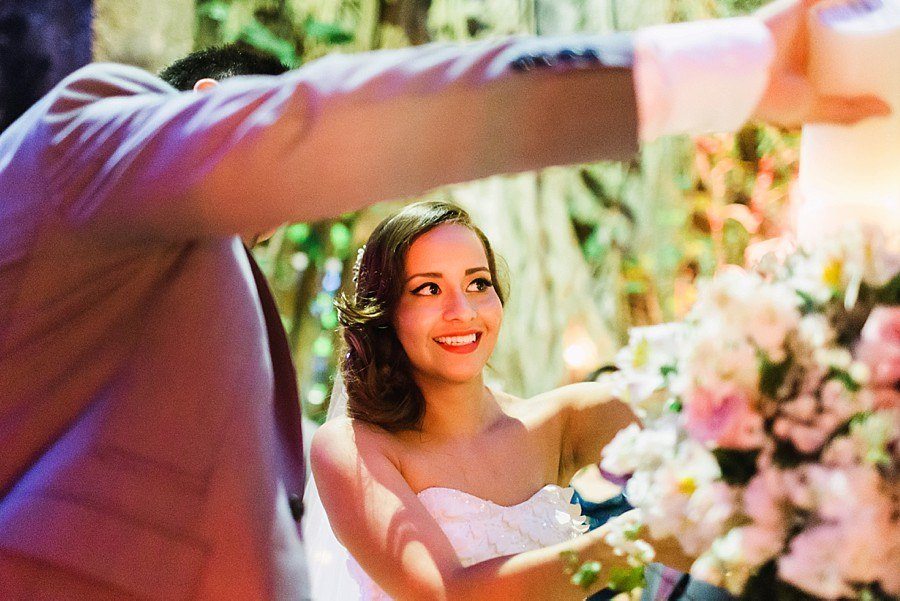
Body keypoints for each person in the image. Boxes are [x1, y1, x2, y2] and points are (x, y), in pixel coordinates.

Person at [0, 1, 889, 598]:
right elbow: (326, 122)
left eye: (475, 282)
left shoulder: (113, 277)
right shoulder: (82, 136)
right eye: (426, 287)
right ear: (210, 105)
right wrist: (724, 68)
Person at [310, 201, 687, 600]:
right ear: (386, 312)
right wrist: (627, 541)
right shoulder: (352, 448)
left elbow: (695, 413)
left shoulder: (558, 423)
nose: (463, 310)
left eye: (478, 283)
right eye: (429, 289)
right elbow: (446, 594)